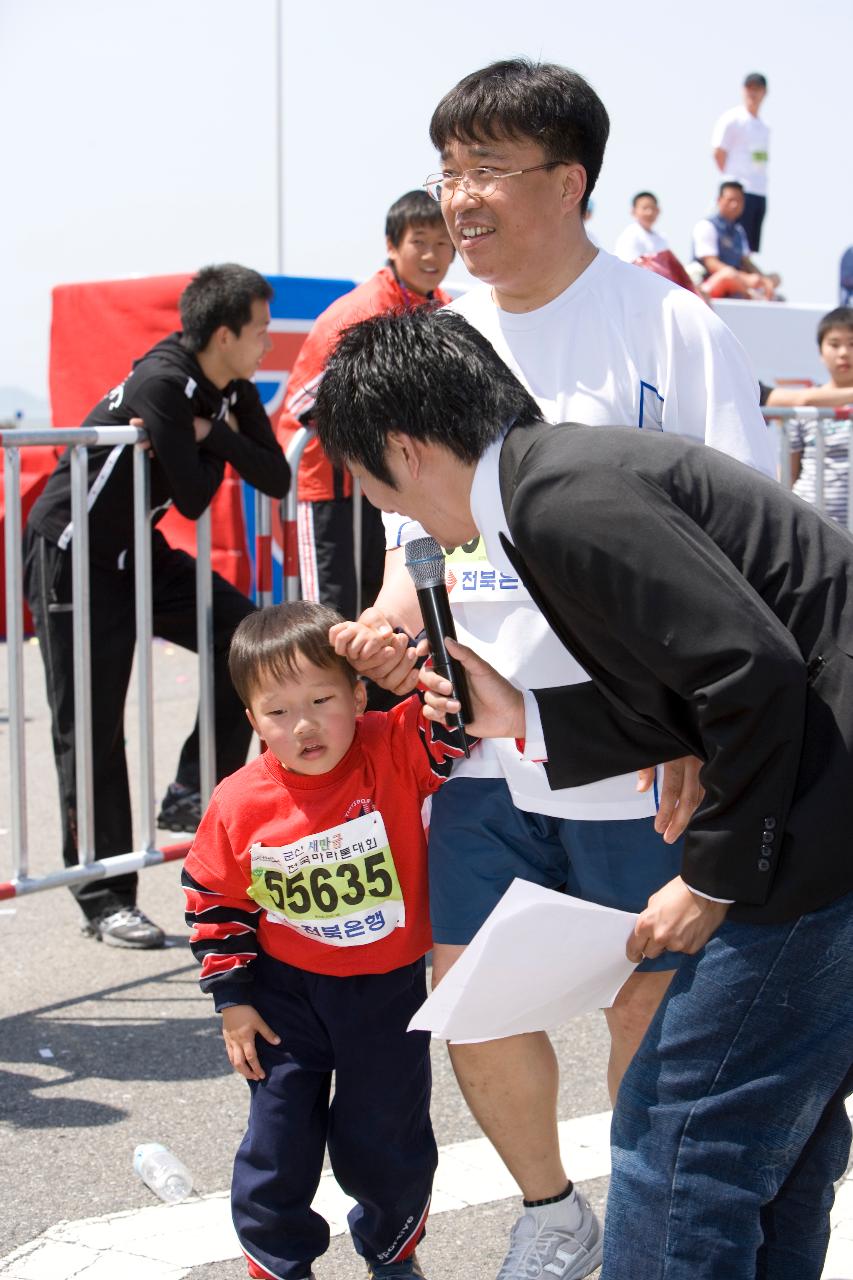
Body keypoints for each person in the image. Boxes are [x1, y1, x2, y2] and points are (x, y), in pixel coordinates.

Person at [331, 58, 775, 1280]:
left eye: (487, 170)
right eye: (448, 171)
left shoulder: (669, 323)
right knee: (470, 993)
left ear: (568, 181)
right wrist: (381, 628)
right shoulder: (433, 339)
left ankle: (646, 1218)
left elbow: (738, 544)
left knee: (655, 1001)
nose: (459, 200)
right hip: (478, 738)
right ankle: (551, 1214)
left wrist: (700, 728)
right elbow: (410, 542)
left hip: (640, 744)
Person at [314, 304, 853, 1280]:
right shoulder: (554, 480)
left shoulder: (560, 497)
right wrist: (521, 709)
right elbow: (700, 680)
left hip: (822, 809)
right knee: (782, 1130)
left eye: (364, 480)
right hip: (820, 787)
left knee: (676, 1129)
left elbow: (751, 674)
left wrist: (712, 879)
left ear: (402, 446)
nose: (379, 508)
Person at [182, 601, 472, 1280]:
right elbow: (213, 899)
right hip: (285, 1000)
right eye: (278, 712)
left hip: (388, 994)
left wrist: (402, 661)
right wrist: (233, 999)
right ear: (252, 721)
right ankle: (277, 1263)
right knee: (277, 1143)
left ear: (358, 696)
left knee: (386, 1141)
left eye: (322, 699)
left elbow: (454, 715)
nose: (304, 725)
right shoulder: (236, 801)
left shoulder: (391, 746)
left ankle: (392, 1253)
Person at [24, 264, 290, 948]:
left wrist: (215, 437)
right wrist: (212, 445)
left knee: (246, 638)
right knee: (90, 727)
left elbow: (275, 474)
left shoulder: (226, 387)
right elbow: (198, 495)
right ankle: (104, 896)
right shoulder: (162, 383)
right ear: (224, 332)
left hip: (135, 550)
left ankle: (192, 787)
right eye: (260, 332)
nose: (267, 346)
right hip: (74, 556)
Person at [275, 190, 454, 622]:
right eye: (420, 241)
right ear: (392, 246)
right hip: (329, 485)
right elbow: (304, 401)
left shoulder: (445, 308)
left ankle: (376, 693)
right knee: (330, 615)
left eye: (443, 243)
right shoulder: (365, 310)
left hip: (393, 487)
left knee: (389, 607)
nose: (433, 254)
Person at [774, 307, 853, 523]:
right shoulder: (806, 405)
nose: (844, 353)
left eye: (852, 344)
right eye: (834, 344)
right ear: (821, 352)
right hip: (812, 524)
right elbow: (789, 469)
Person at [690, 180, 781, 299]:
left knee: (775, 278)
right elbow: (711, 264)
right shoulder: (706, 226)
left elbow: (746, 262)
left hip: (738, 282)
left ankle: (756, 294)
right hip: (709, 285)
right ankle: (753, 296)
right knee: (729, 275)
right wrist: (744, 278)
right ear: (719, 200)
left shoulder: (739, 231)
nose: (735, 205)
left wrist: (762, 279)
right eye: (730, 200)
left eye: (739, 201)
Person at [711, 72, 770, 252]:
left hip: (759, 190)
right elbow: (718, 151)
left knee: (749, 247)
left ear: (764, 92)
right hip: (738, 190)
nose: (752, 93)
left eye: (757, 89)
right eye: (749, 88)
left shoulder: (764, 126)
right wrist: (732, 181)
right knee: (730, 245)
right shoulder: (733, 118)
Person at [612, 191, 668, 262]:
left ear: (658, 211)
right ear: (633, 211)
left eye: (652, 208)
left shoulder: (662, 238)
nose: (649, 212)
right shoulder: (630, 235)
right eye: (644, 208)